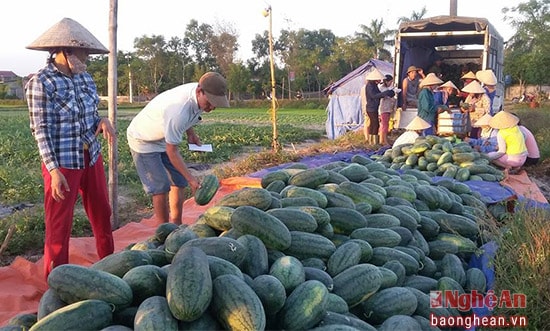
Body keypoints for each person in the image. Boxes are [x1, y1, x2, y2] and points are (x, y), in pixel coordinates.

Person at [25, 18, 115, 279]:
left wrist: (103, 120)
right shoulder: (41, 83)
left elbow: (91, 114)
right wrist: (53, 171)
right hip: (62, 163)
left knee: (102, 212)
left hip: (91, 155)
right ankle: (58, 280)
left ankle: (110, 266)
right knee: (59, 223)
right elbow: (40, 130)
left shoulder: (85, 78)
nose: (87, 58)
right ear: (65, 52)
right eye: (84, 52)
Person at [127, 72, 230, 225]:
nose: (212, 107)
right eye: (210, 102)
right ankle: (163, 230)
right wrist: (192, 180)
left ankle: (176, 224)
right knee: (160, 185)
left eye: (216, 103)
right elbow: (172, 151)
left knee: (179, 180)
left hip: (163, 137)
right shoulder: (179, 111)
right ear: (199, 91)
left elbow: (191, 115)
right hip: (143, 139)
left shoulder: (200, 94)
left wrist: (191, 133)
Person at [363, 68, 395, 145]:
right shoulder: (370, 86)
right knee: (375, 124)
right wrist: (385, 93)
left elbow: (379, 93)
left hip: (373, 107)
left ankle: (372, 142)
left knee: (374, 124)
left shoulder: (374, 85)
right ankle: (374, 142)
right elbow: (374, 95)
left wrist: (388, 93)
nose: (380, 81)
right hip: (371, 108)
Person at [378, 74, 399, 146]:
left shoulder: (387, 88)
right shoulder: (382, 89)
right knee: (385, 125)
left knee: (384, 125)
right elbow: (388, 94)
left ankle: (382, 140)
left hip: (388, 108)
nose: (391, 83)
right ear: (387, 81)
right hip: (384, 108)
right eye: (390, 81)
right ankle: (385, 141)